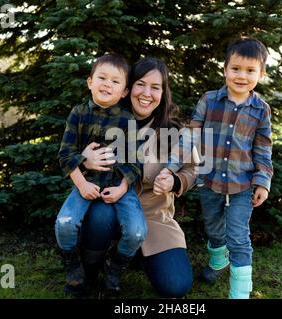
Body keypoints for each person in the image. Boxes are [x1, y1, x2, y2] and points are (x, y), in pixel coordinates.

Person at [78, 57, 197, 298]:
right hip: (109, 207)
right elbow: (70, 153)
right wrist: (84, 160)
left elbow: (193, 170)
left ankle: (136, 256)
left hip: (154, 217)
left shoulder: (175, 131)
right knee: (100, 216)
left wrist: (175, 182)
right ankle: (89, 270)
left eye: (155, 87)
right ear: (128, 88)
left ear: (163, 93)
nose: (146, 93)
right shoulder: (102, 119)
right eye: (140, 84)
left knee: (176, 286)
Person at [167, 37, 273, 299]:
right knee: (214, 228)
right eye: (235, 69)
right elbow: (190, 136)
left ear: (261, 74)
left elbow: (263, 148)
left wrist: (262, 181)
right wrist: (171, 168)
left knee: (238, 237)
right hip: (209, 179)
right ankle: (218, 260)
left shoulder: (261, 110)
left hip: (243, 184)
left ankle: (239, 293)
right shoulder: (209, 100)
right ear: (225, 69)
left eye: (250, 71)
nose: (241, 76)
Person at [55, 53, 146, 295]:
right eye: (102, 77)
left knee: (137, 231)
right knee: (65, 223)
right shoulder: (78, 113)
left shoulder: (127, 120)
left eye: (115, 81)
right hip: (85, 182)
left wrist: (122, 188)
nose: (107, 84)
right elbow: (65, 154)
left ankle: (114, 268)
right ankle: (74, 268)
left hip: (118, 186)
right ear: (90, 82)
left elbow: (134, 161)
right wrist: (82, 183)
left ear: (125, 91)